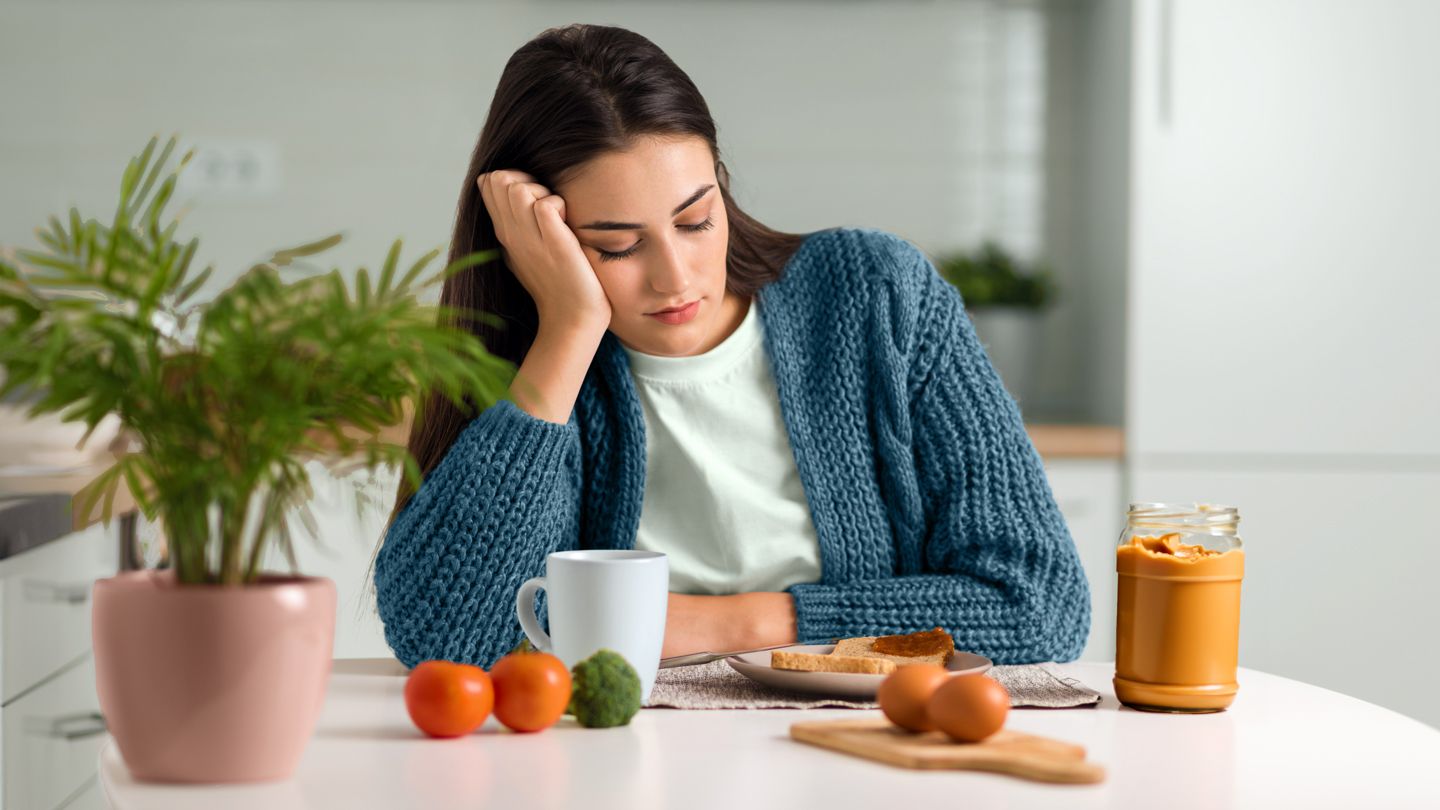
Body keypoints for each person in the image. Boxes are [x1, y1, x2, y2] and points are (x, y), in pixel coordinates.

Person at [372, 22, 1091, 671]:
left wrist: (730, 622)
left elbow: (1038, 607)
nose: (676, 277)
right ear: (542, 244)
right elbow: (452, 642)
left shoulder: (875, 296)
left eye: (695, 220)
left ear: (720, 180)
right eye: (615, 246)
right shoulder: (531, 362)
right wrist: (566, 331)